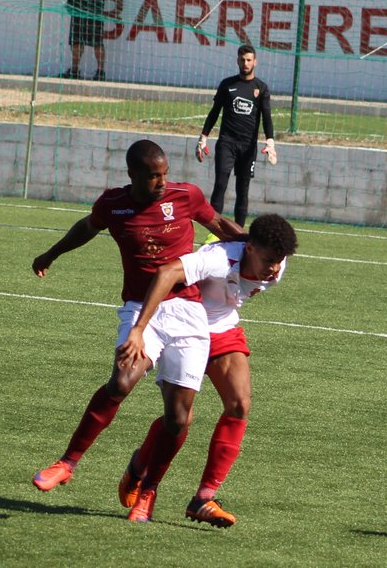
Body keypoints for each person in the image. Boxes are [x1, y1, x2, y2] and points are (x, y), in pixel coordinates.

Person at [31, 140, 245, 523]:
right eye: (153, 176)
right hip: (139, 308)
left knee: (178, 418)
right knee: (121, 381)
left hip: (187, 312)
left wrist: (260, 244)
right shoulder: (113, 204)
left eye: (164, 174)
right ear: (132, 175)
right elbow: (87, 227)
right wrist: (51, 253)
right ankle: (67, 463)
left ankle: (148, 492)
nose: (161, 182)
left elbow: (219, 226)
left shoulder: (186, 196)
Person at [117, 214, 298, 527]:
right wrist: (142, 327)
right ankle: (139, 468)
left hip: (223, 327)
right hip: (185, 325)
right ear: (250, 248)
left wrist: (272, 262)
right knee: (181, 419)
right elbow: (169, 274)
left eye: (279, 261)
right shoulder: (216, 258)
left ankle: (203, 498)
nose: (274, 269)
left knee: (240, 404)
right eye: (269, 260)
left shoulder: (275, 267)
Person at [196, 44, 277, 228]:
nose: (245, 63)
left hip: (248, 147)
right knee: (220, 185)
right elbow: (214, 112)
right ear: (237, 61)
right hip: (227, 143)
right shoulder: (227, 85)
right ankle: (214, 231)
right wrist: (203, 138)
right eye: (242, 60)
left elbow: (267, 117)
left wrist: (270, 143)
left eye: (249, 60)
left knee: (243, 189)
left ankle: (239, 233)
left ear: (255, 62)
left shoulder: (261, 88)